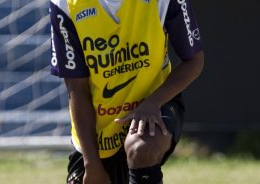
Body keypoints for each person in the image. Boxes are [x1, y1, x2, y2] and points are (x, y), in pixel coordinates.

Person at [50, 0, 204, 183]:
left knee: (140, 148)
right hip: (101, 130)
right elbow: (77, 90)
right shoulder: (65, 4)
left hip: (156, 105)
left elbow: (194, 61)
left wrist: (153, 103)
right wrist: (91, 163)